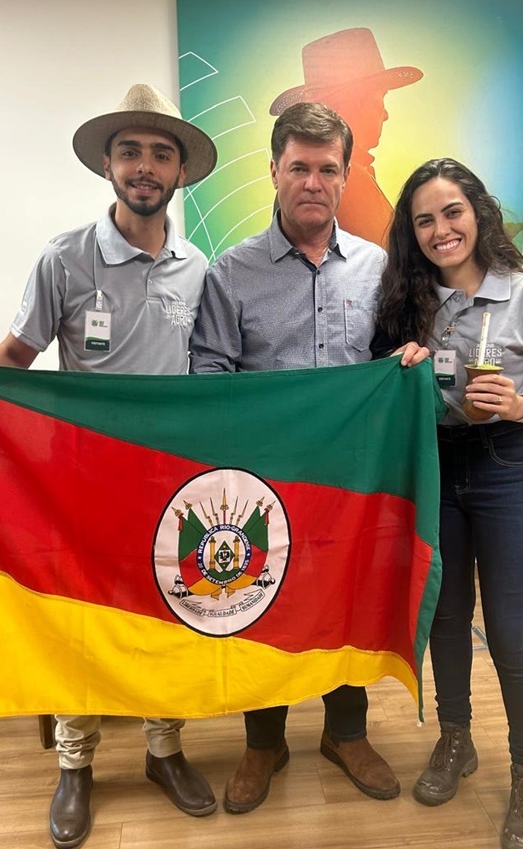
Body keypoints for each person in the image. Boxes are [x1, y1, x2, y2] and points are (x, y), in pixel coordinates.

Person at [0, 83, 219, 849]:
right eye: (130, 152)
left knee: (164, 612)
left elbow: (211, 376)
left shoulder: (198, 268)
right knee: (78, 621)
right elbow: (15, 357)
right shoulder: (64, 258)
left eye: (160, 153)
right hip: (78, 482)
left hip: (166, 484)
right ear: (108, 166)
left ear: (180, 172)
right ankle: (76, 762)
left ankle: (164, 748)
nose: (144, 166)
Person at [190, 101, 427, 815]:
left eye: (328, 168)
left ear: (345, 174)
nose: (314, 181)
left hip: (353, 483)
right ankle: (264, 741)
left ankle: (345, 734)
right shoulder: (231, 272)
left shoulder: (378, 268)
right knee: (264, 607)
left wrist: (409, 362)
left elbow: (393, 361)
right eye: (300, 166)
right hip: (263, 487)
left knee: (345, 603)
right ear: (274, 170)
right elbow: (208, 374)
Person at [372, 158, 523, 849]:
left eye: (451, 212)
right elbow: (384, 388)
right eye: (425, 219)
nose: (440, 229)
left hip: (509, 469)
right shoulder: (408, 299)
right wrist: (399, 364)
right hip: (437, 466)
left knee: (515, 636)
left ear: (478, 214)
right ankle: (456, 740)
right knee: (447, 617)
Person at [269, 27, 423, 248]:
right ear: (356, 101)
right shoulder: (346, 184)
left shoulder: (311, 181)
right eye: (380, 99)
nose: (385, 113)